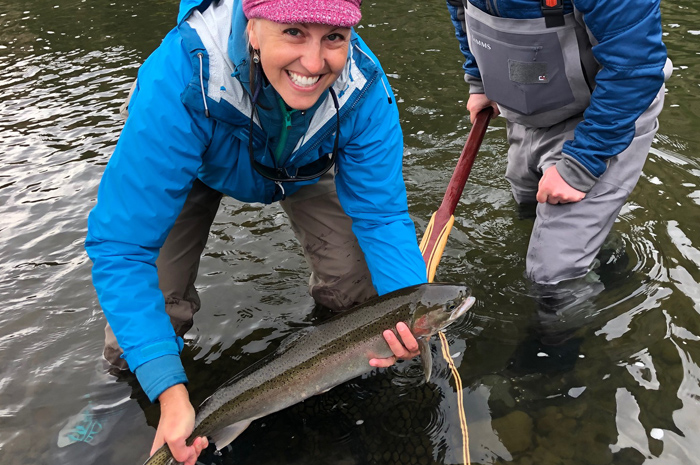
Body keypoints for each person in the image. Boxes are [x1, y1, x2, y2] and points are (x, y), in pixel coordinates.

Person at [82, 0, 428, 463]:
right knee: (147, 326)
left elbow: (382, 217)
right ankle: (112, 408)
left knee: (360, 293)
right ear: (253, 27)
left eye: (333, 38)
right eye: (293, 33)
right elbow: (123, 249)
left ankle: (325, 382)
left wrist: (407, 311)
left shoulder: (362, 90)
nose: (313, 62)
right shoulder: (182, 76)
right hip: (196, 162)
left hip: (304, 163)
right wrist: (168, 388)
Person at [445, 0, 671, 288]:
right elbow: (461, 10)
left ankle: (564, 328)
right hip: (529, 100)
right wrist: (478, 78)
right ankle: (608, 257)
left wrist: (580, 166)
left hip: (608, 115)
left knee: (553, 276)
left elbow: (635, 68)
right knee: (526, 206)